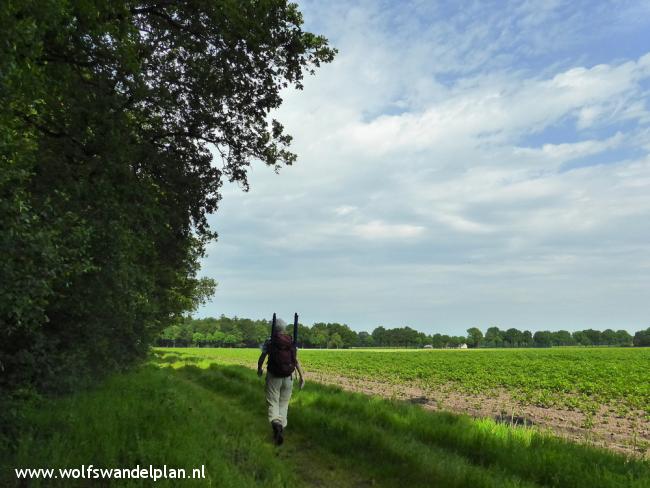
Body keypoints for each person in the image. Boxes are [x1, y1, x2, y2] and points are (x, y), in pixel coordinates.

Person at [257, 318, 305, 445]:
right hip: (288, 378)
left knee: (273, 402)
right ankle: (281, 427)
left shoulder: (270, 342)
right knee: (284, 404)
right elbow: (296, 360)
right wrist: (302, 376)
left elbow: (262, 357)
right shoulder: (291, 342)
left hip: (274, 377)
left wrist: (259, 369)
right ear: (284, 328)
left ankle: (276, 424)